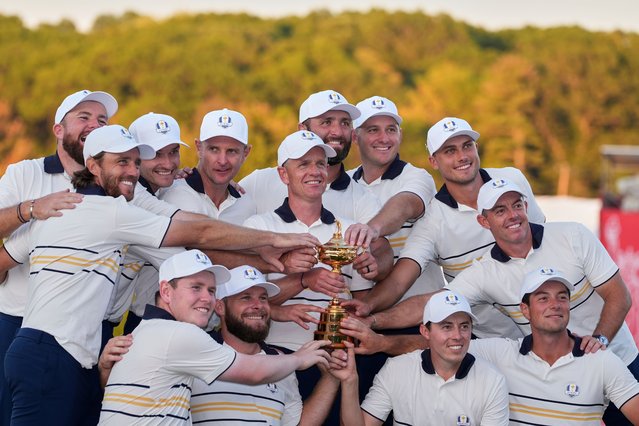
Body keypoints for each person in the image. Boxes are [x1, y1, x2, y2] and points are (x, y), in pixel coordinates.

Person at [0, 125, 320, 425]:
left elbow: (5, 259)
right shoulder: (114, 213)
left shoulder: (59, 207)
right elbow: (202, 233)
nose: (131, 171)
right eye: (121, 161)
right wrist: (276, 240)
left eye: (136, 162)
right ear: (93, 165)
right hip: (53, 354)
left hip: (42, 350)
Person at [359, 178, 639, 425]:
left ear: (526, 207)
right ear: (484, 221)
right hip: (552, 376)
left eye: (517, 205)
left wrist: (599, 342)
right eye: (500, 210)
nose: (512, 215)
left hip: (616, 358)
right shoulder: (484, 273)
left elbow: (619, 296)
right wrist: (372, 319)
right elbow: (435, 304)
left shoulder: (572, 235)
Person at [346, 116, 545, 341]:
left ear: (476, 148)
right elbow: (400, 280)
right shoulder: (433, 220)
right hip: (487, 339)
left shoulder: (512, 179)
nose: (462, 157)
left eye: (467, 146)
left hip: (552, 324)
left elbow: (544, 241)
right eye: (450, 151)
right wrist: (367, 306)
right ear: (433, 161)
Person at [98, 251, 331, 424]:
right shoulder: (180, 334)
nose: (206, 298)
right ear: (167, 291)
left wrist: (106, 370)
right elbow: (254, 372)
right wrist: (300, 358)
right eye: (196, 288)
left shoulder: (147, 332)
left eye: (210, 290)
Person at [243, 130, 377, 423]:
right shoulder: (259, 227)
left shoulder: (348, 230)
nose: (315, 171)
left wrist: (368, 271)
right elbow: (246, 303)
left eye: (320, 163)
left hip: (336, 359)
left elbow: (364, 300)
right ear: (283, 174)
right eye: (303, 164)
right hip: (277, 357)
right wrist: (304, 279)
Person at [239, 89, 392, 278]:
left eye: (344, 123)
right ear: (302, 129)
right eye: (326, 122)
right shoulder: (259, 182)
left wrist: (374, 266)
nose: (337, 132)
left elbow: (381, 251)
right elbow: (227, 224)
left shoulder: (364, 198)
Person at [467, 268, 639, 425]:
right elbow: (442, 349)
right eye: (543, 298)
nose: (555, 304)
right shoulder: (501, 353)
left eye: (562, 297)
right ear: (525, 310)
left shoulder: (600, 360)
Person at [331, 291, 509, 426]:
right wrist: (349, 381)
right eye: (446, 327)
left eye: (464, 326)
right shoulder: (396, 369)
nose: (457, 336)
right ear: (425, 332)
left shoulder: (493, 380)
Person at [190, 265, 339, 425]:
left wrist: (331, 379)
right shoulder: (196, 352)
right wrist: (297, 359)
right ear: (220, 307)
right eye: (246, 297)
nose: (258, 305)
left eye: (263, 298)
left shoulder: (282, 360)